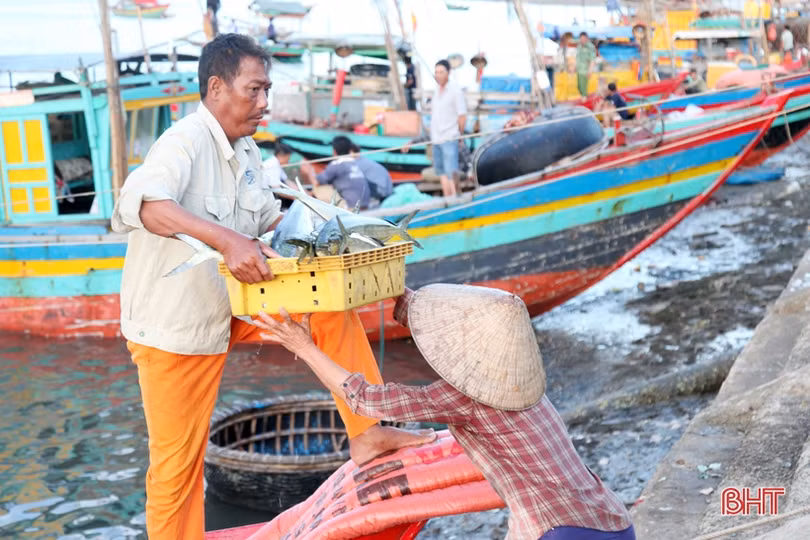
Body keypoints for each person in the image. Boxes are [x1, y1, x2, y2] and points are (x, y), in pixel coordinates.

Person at [110, 34, 433, 540]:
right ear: (216, 88)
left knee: (328, 308)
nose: (265, 104)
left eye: (268, 91)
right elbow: (146, 206)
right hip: (176, 329)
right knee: (177, 470)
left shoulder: (248, 152)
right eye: (255, 90)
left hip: (236, 303)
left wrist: (351, 246)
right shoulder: (184, 141)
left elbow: (276, 221)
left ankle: (367, 434)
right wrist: (229, 240)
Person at [255, 284, 636, 540]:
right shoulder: (522, 383)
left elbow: (365, 398)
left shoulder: (465, 400)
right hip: (612, 518)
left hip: (565, 531)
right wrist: (395, 292)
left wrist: (304, 346)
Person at [429, 59, 467, 197]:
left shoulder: (455, 90)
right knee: (441, 172)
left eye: (441, 72)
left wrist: (460, 135)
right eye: (436, 72)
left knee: (452, 172)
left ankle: (456, 199)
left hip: (450, 137)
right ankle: (447, 199)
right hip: (436, 138)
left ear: (448, 73)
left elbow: (462, 115)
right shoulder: (435, 91)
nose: (438, 75)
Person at [302, 136, 370, 209]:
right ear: (350, 150)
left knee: (319, 188)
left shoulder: (336, 164)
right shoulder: (355, 163)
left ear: (334, 151)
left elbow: (316, 182)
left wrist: (309, 170)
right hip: (365, 205)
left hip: (351, 207)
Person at [576, 31, 597, 97]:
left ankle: (584, 100)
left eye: (584, 38)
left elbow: (592, 59)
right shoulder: (579, 46)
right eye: (581, 38)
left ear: (587, 38)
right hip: (579, 70)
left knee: (583, 88)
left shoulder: (590, 47)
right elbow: (578, 58)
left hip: (585, 70)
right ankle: (584, 98)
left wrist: (590, 70)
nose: (583, 40)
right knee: (579, 87)